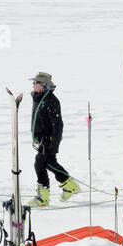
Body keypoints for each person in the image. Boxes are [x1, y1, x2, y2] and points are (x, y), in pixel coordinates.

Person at [29, 71, 81, 206]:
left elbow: (58, 125)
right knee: (46, 163)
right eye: (33, 83)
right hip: (41, 138)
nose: (33, 85)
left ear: (44, 85)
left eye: (36, 83)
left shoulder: (51, 100)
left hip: (49, 139)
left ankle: (44, 197)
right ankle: (68, 186)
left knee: (41, 163)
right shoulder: (39, 97)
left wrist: (54, 144)